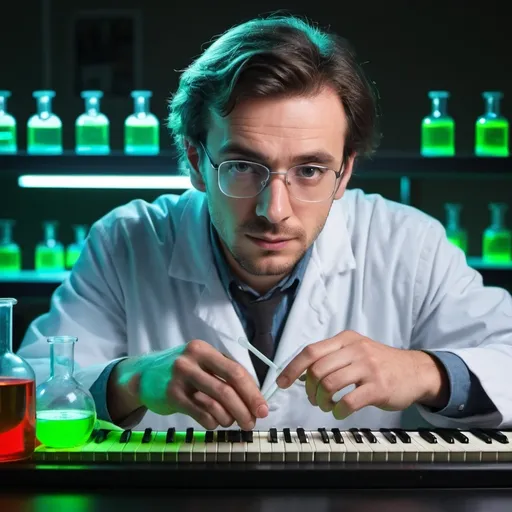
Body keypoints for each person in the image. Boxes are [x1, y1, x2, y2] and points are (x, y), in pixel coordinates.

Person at [18, 15, 512, 433]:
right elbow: (32, 392)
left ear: (345, 173)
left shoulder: (408, 244)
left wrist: (424, 371)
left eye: (310, 171)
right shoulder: (126, 241)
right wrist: (130, 382)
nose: (274, 210)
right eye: (242, 167)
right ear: (195, 160)